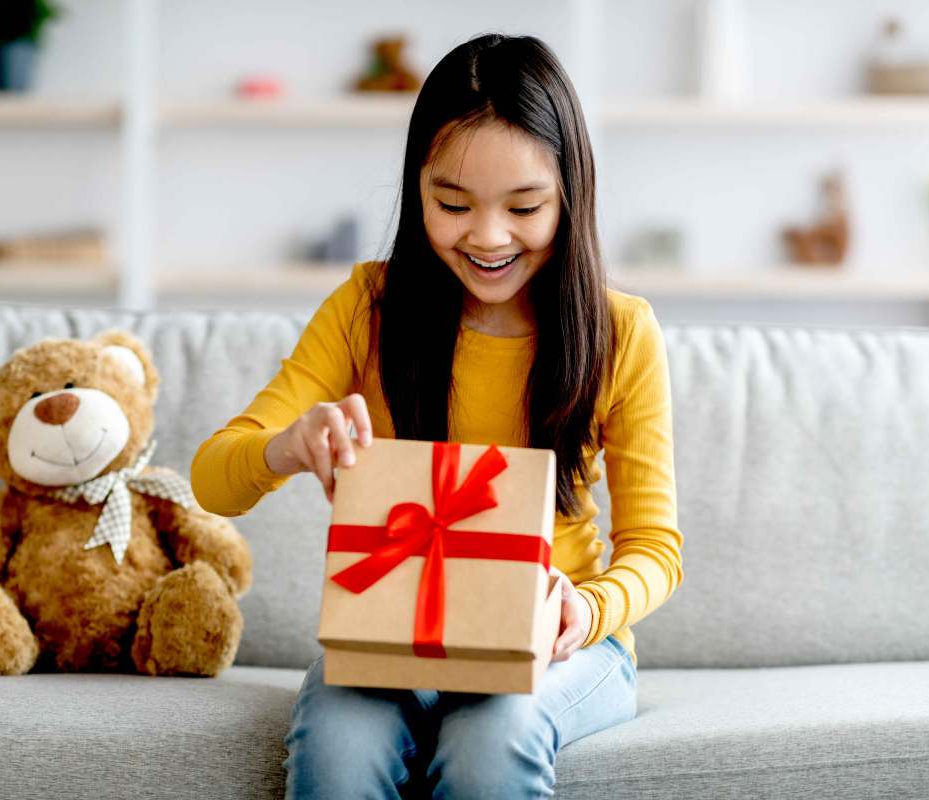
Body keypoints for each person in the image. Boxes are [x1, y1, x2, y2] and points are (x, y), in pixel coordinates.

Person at [191, 32, 684, 799]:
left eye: (524, 207)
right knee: (337, 744)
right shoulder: (368, 306)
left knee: (494, 739)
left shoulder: (621, 332)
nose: (487, 237)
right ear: (416, 187)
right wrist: (289, 445)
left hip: (564, 646)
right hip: (393, 634)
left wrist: (587, 610)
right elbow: (212, 481)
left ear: (571, 195)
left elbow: (656, 547)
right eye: (452, 204)